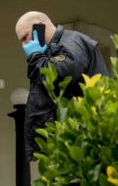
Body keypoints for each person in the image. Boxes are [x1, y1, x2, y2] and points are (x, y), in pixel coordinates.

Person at [14, 11, 109, 161]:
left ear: (39, 28)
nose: (24, 45)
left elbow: (58, 75)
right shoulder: (49, 51)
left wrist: (36, 58)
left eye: (25, 37)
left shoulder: (72, 42)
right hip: (63, 140)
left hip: (82, 139)